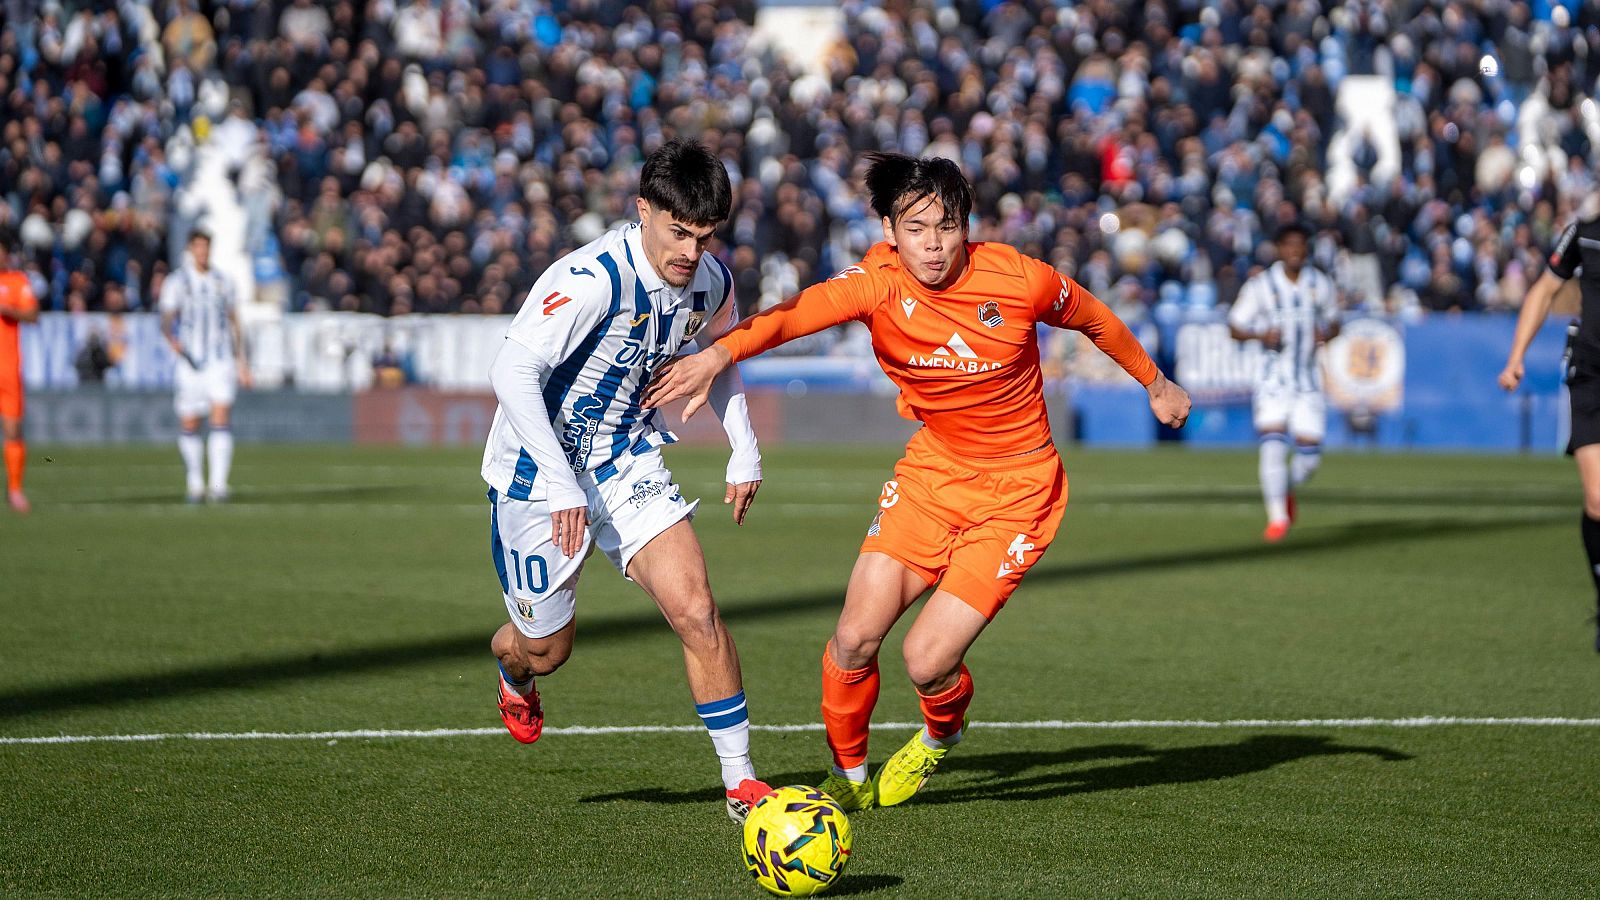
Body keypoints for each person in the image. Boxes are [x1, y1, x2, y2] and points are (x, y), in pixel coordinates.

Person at [645, 153, 1191, 811]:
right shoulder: (875, 284)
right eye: (916, 228)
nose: (933, 245)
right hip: (932, 474)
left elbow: (1094, 317)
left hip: (1019, 493)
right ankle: (848, 782)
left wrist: (1155, 381)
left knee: (927, 662)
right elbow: (794, 315)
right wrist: (717, 354)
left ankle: (940, 734)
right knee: (853, 640)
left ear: (967, 226)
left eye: (946, 226)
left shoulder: (1019, 279)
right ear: (889, 230)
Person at [480, 138, 773, 822]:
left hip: (626, 458)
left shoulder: (711, 281)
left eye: (705, 237)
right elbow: (510, 372)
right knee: (546, 650)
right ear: (643, 210)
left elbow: (718, 355)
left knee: (697, 610)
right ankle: (513, 669)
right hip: (537, 474)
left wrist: (743, 447)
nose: (691, 253)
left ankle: (741, 783)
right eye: (679, 233)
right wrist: (561, 483)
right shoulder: (591, 280)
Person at [1499, 207, 1600, 652]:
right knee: (1597, 500)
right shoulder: (1585, 231)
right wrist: (1516, 355)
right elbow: (1543, 290)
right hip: (1592, 374)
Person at [1227, 223, 1340, 542]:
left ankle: (1285, 487)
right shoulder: (1261, 285)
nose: (1295, 250)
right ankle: (1277, 519)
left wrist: (1326, 333)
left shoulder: (1320, 283)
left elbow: (1335, 323)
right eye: (1289, 244)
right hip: (1272, 381)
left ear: (1307, 249)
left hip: (1307, 381)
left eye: (1300, 244)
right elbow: (1234, 326)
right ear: (1279, 249)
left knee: (1309, 459)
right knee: (1273, 446)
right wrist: (1260, 335)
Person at [159, 229, 251, 503]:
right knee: (190, 422)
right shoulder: (177, 282)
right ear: (191, 249)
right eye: (198, 246)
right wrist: (171, 339)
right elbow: (166, 318)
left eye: (206, 247)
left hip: (219, 359)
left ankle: (219, 485)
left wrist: (241, 360)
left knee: (220, 416)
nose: (203, 252)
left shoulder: (224, 281)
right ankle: (195, 481)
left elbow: (234, 320)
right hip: (190, 361)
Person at [0, 240, 40, 514]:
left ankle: (15, 490)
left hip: (7, 368)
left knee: (13, 429)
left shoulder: (16, 281)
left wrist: (8, 310)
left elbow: (33, 314)